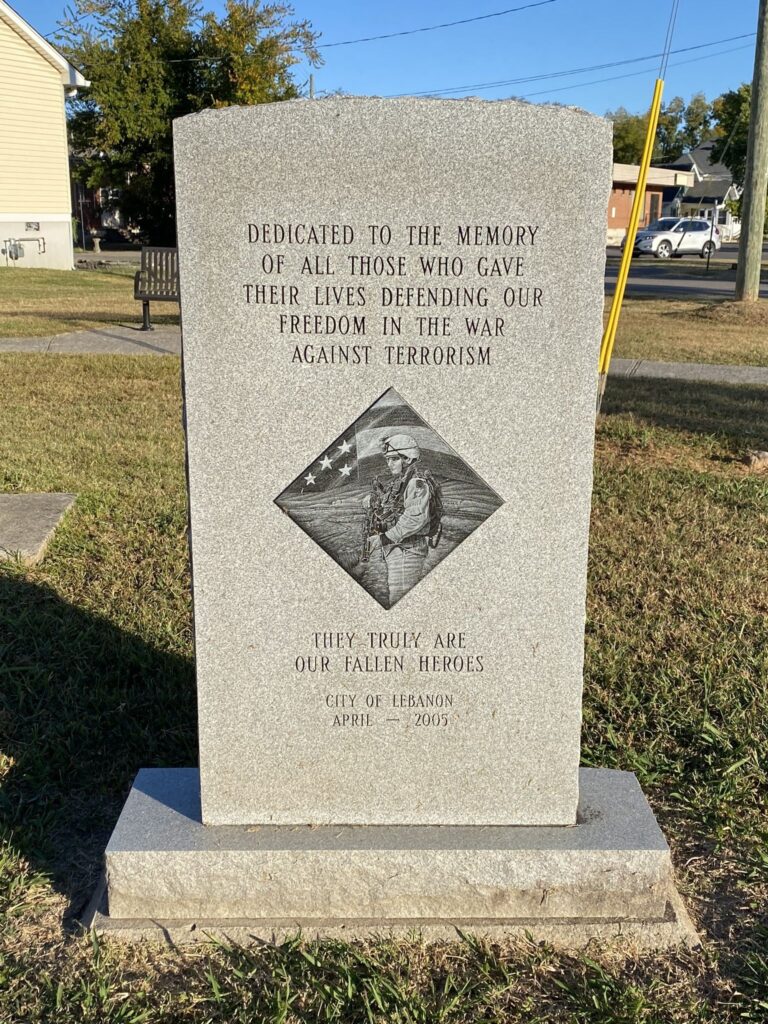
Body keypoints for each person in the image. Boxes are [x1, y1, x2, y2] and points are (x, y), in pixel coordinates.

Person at [363, 433, 442, 606]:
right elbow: (392, 509)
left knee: (401, 600)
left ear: (407, 459)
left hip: (408, 550)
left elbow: (414, 519)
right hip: (398, 548)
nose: (389, 464)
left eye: (394, 459)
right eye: (387, 459)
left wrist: (384, 538)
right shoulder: (401, 481)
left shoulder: (416, 482)